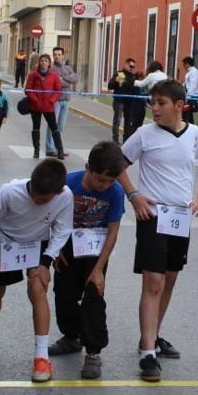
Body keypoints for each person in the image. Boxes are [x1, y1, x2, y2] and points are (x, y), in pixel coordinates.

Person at [118, 80, 198, 382]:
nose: (155, 108)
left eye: (161, 103)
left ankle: (152, 334)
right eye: (153, 103)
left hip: (180, 218)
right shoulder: (143, 135)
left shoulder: (195, 136)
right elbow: (118, 164)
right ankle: (148, 354)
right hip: (152, 215)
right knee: (154, 282)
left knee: (170, 279)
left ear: (179, 105)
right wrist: (134, 195)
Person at [0, 159, 73, 383]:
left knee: (38, 288)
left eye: (44, 200)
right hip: (8, 241)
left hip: (38, 244)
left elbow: (63, 229)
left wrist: (46, 262)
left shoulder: (65, 197)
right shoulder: (8, 193)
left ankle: (41, 356)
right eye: (35, 195)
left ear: (58, 192)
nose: (38, 201)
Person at [48, 141, 126, 380]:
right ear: (88, 168)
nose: (105, 186)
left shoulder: (115, 192)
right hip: (68, 247)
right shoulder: (67, 184)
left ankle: (93, 352)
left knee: (94, 296)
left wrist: (99, 269)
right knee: (64, 295)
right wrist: (55, 249)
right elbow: (49, 217)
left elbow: (113, 230)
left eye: (110, 181)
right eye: (101, 180)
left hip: (95, 250)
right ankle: (71, 337)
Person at [24, 54, 65, 159]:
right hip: (35, 106)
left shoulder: (54, 75)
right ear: (39, 62)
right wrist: (35, 99)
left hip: (48, 106)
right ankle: (36, 150)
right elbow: (28, 89)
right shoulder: (33, 74)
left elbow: (58, 90)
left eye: (46, 61)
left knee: (54, 128)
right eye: (42, 61)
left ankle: (60, 150)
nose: (44, 63)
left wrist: (52, 100)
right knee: (36, 128)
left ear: (49, 63)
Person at [45, 46, 79, 158]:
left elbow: (75, 78)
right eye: (55, 54)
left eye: (59, 54)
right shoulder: (51, 69)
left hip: (66, 100)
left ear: (63, 55)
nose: (57, 56)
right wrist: (66, 82)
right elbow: (57, 83)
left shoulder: (68, 68)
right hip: (56, 100)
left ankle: (58, 148)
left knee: (61, 126)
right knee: (52, 125)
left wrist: (63, 80)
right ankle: (50, 148)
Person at [108, 57, 137, 143]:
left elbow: (134, 88)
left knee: (128, 122)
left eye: (133, 67)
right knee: (117, 120)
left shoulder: (133, 76)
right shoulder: (119, 74)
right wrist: (116, 81)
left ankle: (126, 140)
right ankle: (115, 139)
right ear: (125, 65)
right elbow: (110, 86)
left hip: (129, 102)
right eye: (130, 66)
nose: (131, 68)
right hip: (119, 101)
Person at [181, 56, 198, 124]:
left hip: (191, 98)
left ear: (187, 64)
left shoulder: (194, 72)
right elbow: (186, 84)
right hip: (189, 97)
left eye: (184, 64)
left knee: (188, 117)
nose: (183, 66)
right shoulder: (190, 72)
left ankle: (190, 131)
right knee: (186, 116)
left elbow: (193, 86)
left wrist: (187, 97)